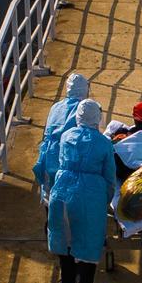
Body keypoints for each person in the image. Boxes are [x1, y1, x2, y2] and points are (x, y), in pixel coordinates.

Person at [47, 99, 116, 283]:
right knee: (88, 245)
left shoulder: (67, 136)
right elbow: (109, 177)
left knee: (65, 240)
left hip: (62, 189)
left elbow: (59, 162)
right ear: (98, 118)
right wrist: (105, 199)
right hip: (90, 194)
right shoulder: (104, 144)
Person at [33, 72, 89, 204]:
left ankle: (49, 220)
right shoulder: (83, 109)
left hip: (49, 154)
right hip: (69, 155)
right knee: (70, 196)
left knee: (50, 194)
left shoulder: (56, 107)